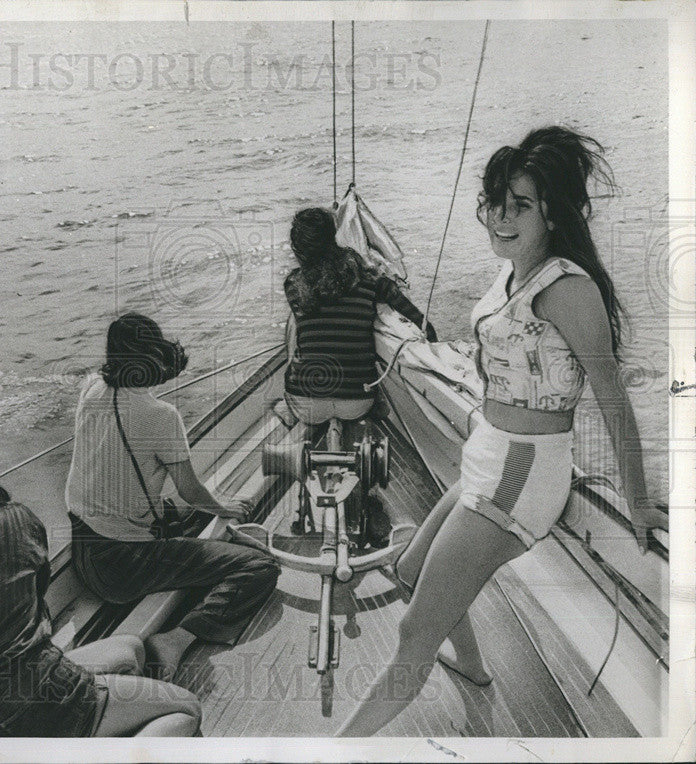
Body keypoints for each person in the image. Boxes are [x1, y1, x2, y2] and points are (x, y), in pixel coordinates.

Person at [338, 126, 666, 736]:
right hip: (487, 455)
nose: (501, 217)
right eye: (495, 203)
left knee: (411, 636)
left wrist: (640, 501)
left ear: (553, 212)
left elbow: (613, 399)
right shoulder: (513, 270)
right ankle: (474, 668)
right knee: (407, 572)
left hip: (520, 473)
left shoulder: (567, 288)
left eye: (520, 205)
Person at [0, 409, 201, 737]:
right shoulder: (16, 521)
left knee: (131, 648)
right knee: (186, 709)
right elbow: (36, 593)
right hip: (46, 695)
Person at [66, 313, 280, 680]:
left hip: (84, 549)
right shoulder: (160, 415)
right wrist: (223, 508)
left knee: (177, 512)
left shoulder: (92, 387)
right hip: (123, 568)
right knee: (259, 567)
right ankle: (177, 640)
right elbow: (189, 489)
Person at [282, 207, 435, 544]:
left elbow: (302, 328)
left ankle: (301, 443)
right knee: (366, 402)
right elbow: (422, 321)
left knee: (301, 384)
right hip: (357, 400)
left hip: (307, 401)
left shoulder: (293, 283)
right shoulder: (369, 279)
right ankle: (366, 485)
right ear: (334, 237)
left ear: (298, 248)